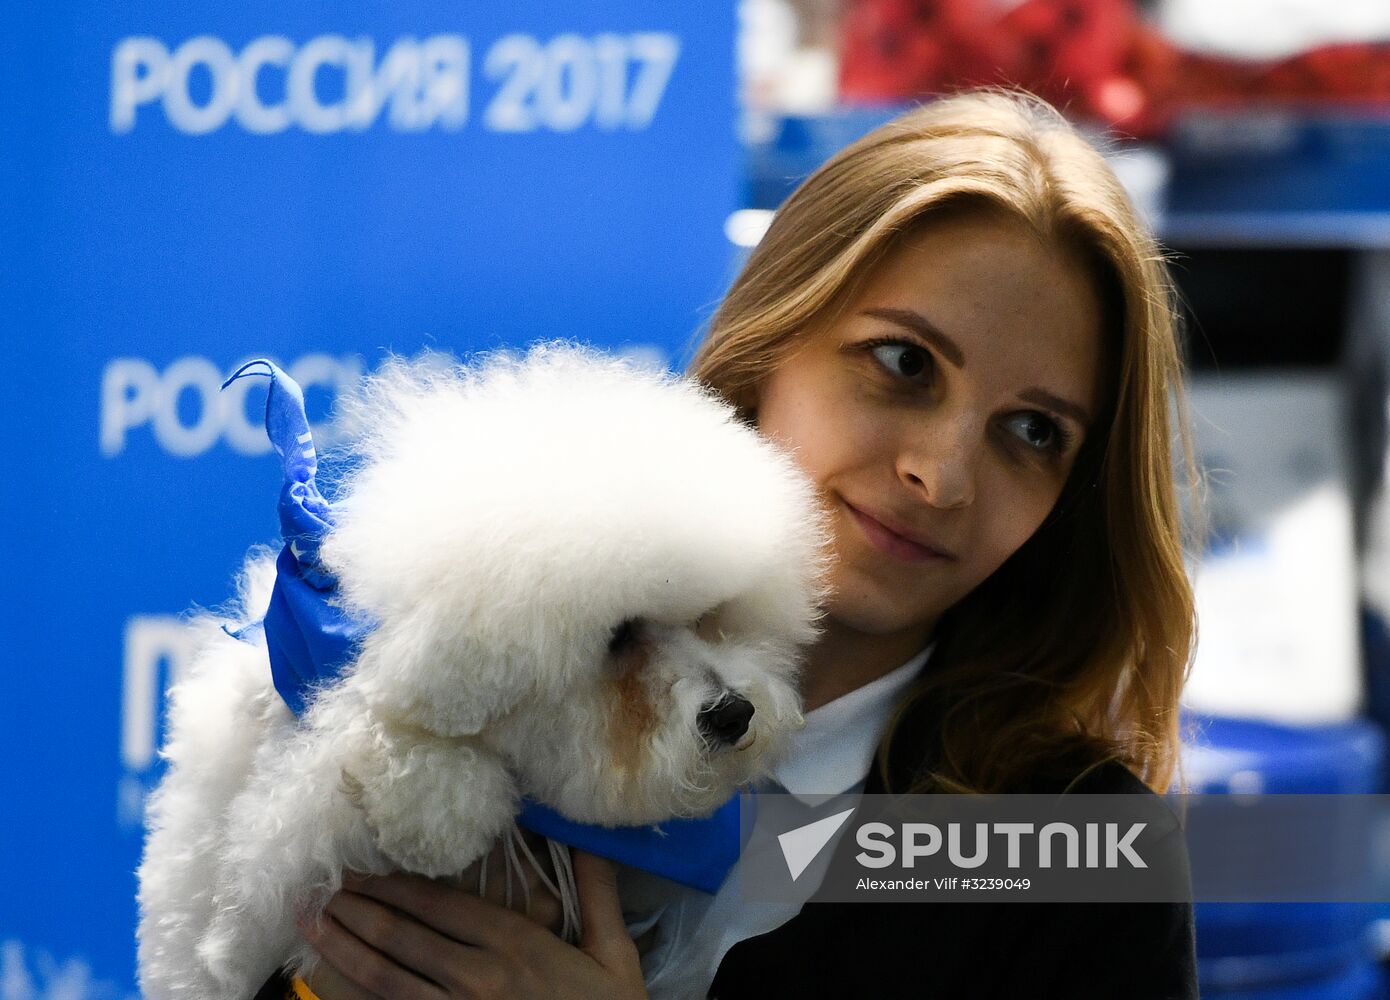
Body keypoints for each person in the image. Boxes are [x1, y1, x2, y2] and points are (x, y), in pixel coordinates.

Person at [270, 86, 1202, 999]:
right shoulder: (499, 667)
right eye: (904, 363)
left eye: (1034, 431)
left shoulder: (1084, 856)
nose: (943, 475)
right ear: (770, 347)